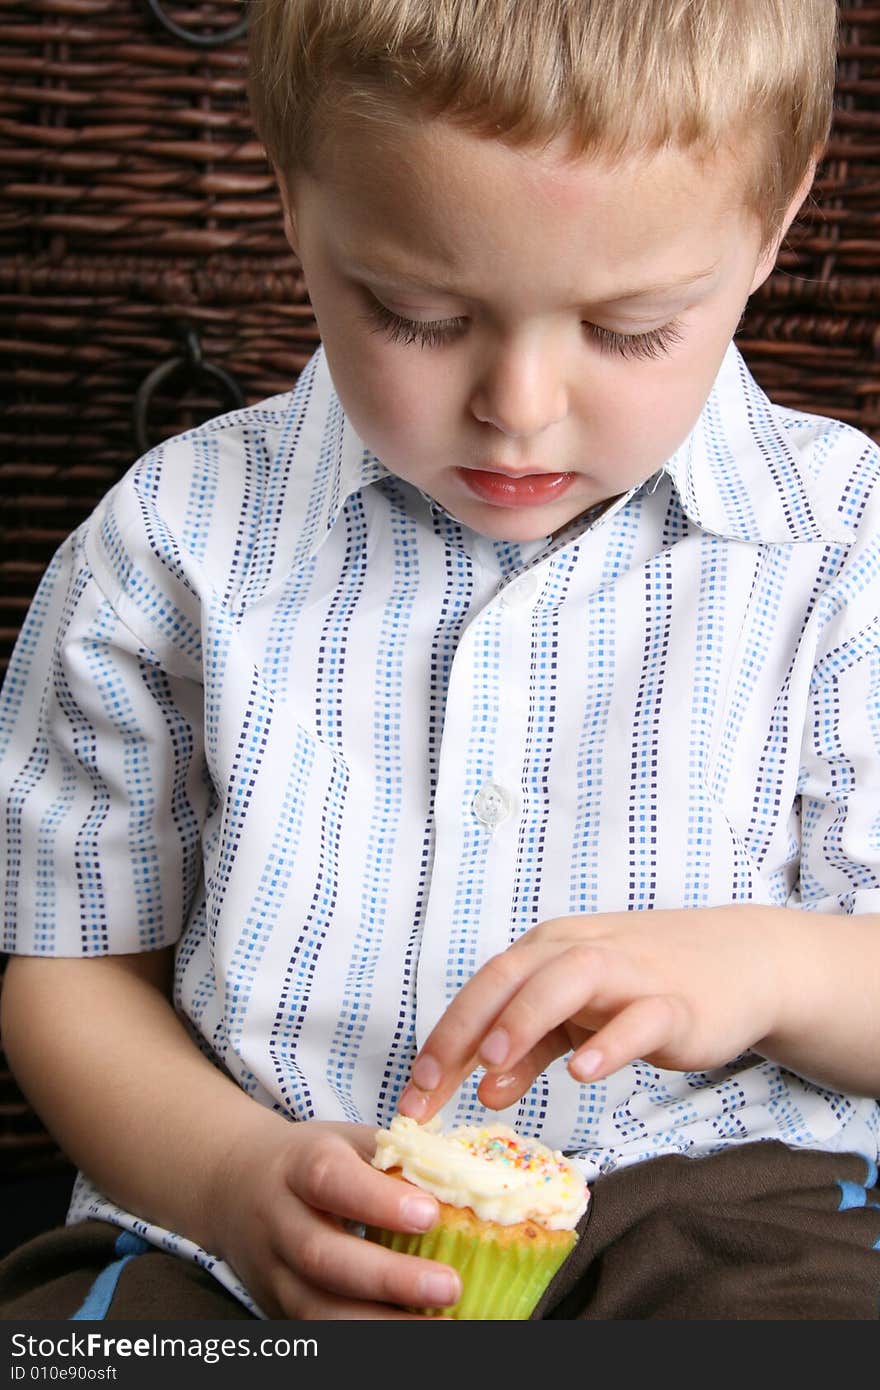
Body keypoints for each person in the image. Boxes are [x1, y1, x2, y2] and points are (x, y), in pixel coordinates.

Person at [0, 0, 878, 1322]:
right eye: (414, 311)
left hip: (715, 1204)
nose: (517, 405)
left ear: (773, 224)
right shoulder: (175, 546)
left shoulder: (842, 552)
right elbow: (68, 972)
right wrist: (231, 1174)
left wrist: (763, 967)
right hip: (234, 1224)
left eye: (631, 327)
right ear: (294, 199)